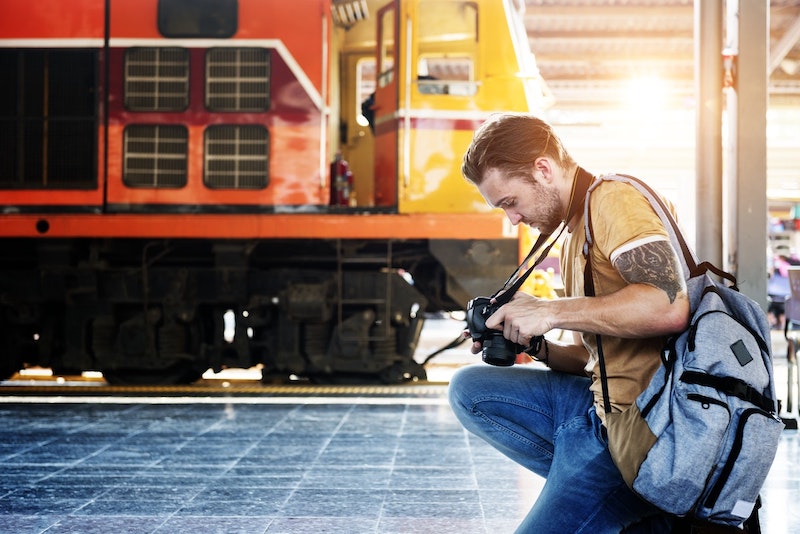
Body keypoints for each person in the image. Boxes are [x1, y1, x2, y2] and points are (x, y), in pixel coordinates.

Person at [448, 113, 690, 533]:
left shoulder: (614, 199)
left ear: (543, 169)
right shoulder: (576, 229)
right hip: (598, 407)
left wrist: (549, 311)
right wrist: (533, 343)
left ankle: (628, 491)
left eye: (509, 202)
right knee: (470, 389)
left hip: (641, 426)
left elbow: (668, 306)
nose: (512, 219)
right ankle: (617, 503)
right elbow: (588, 359)